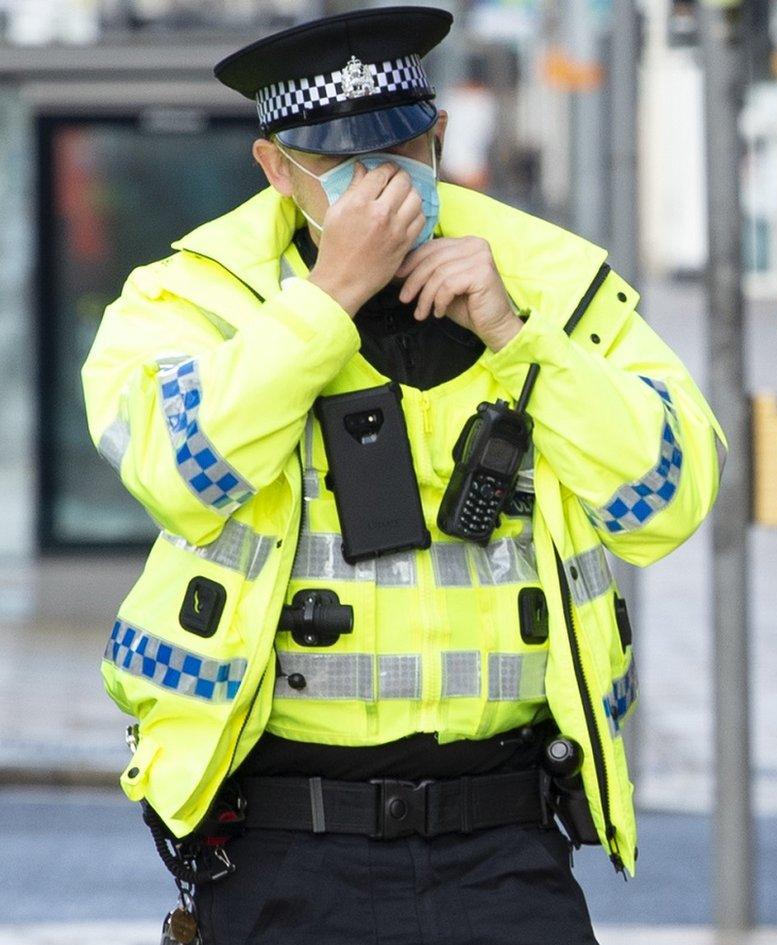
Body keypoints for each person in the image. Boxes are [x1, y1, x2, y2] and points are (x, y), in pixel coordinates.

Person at [81, 7, 723, 943]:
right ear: (275, 167)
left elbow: (669, 502)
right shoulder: (191, 295)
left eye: (401, 151)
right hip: (284, 841)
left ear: (441, 136)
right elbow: (180, 472)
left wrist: (518, 337)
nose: (379, 187)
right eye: (341, 165)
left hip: (505, 837)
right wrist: (327, 298)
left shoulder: (552, 277)